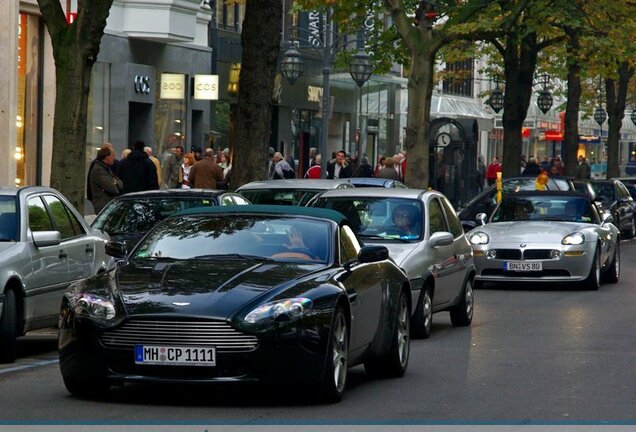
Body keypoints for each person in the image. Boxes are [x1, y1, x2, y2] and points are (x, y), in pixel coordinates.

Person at [89, 146, 123, 214]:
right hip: (104, 207)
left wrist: (116, 183)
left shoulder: (106, 168)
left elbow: (120, 183)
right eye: (113, 155)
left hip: (108, 206)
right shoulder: (99, 170)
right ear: (107, 156)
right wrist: (115, 183)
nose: (114, 158)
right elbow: (113, 188)